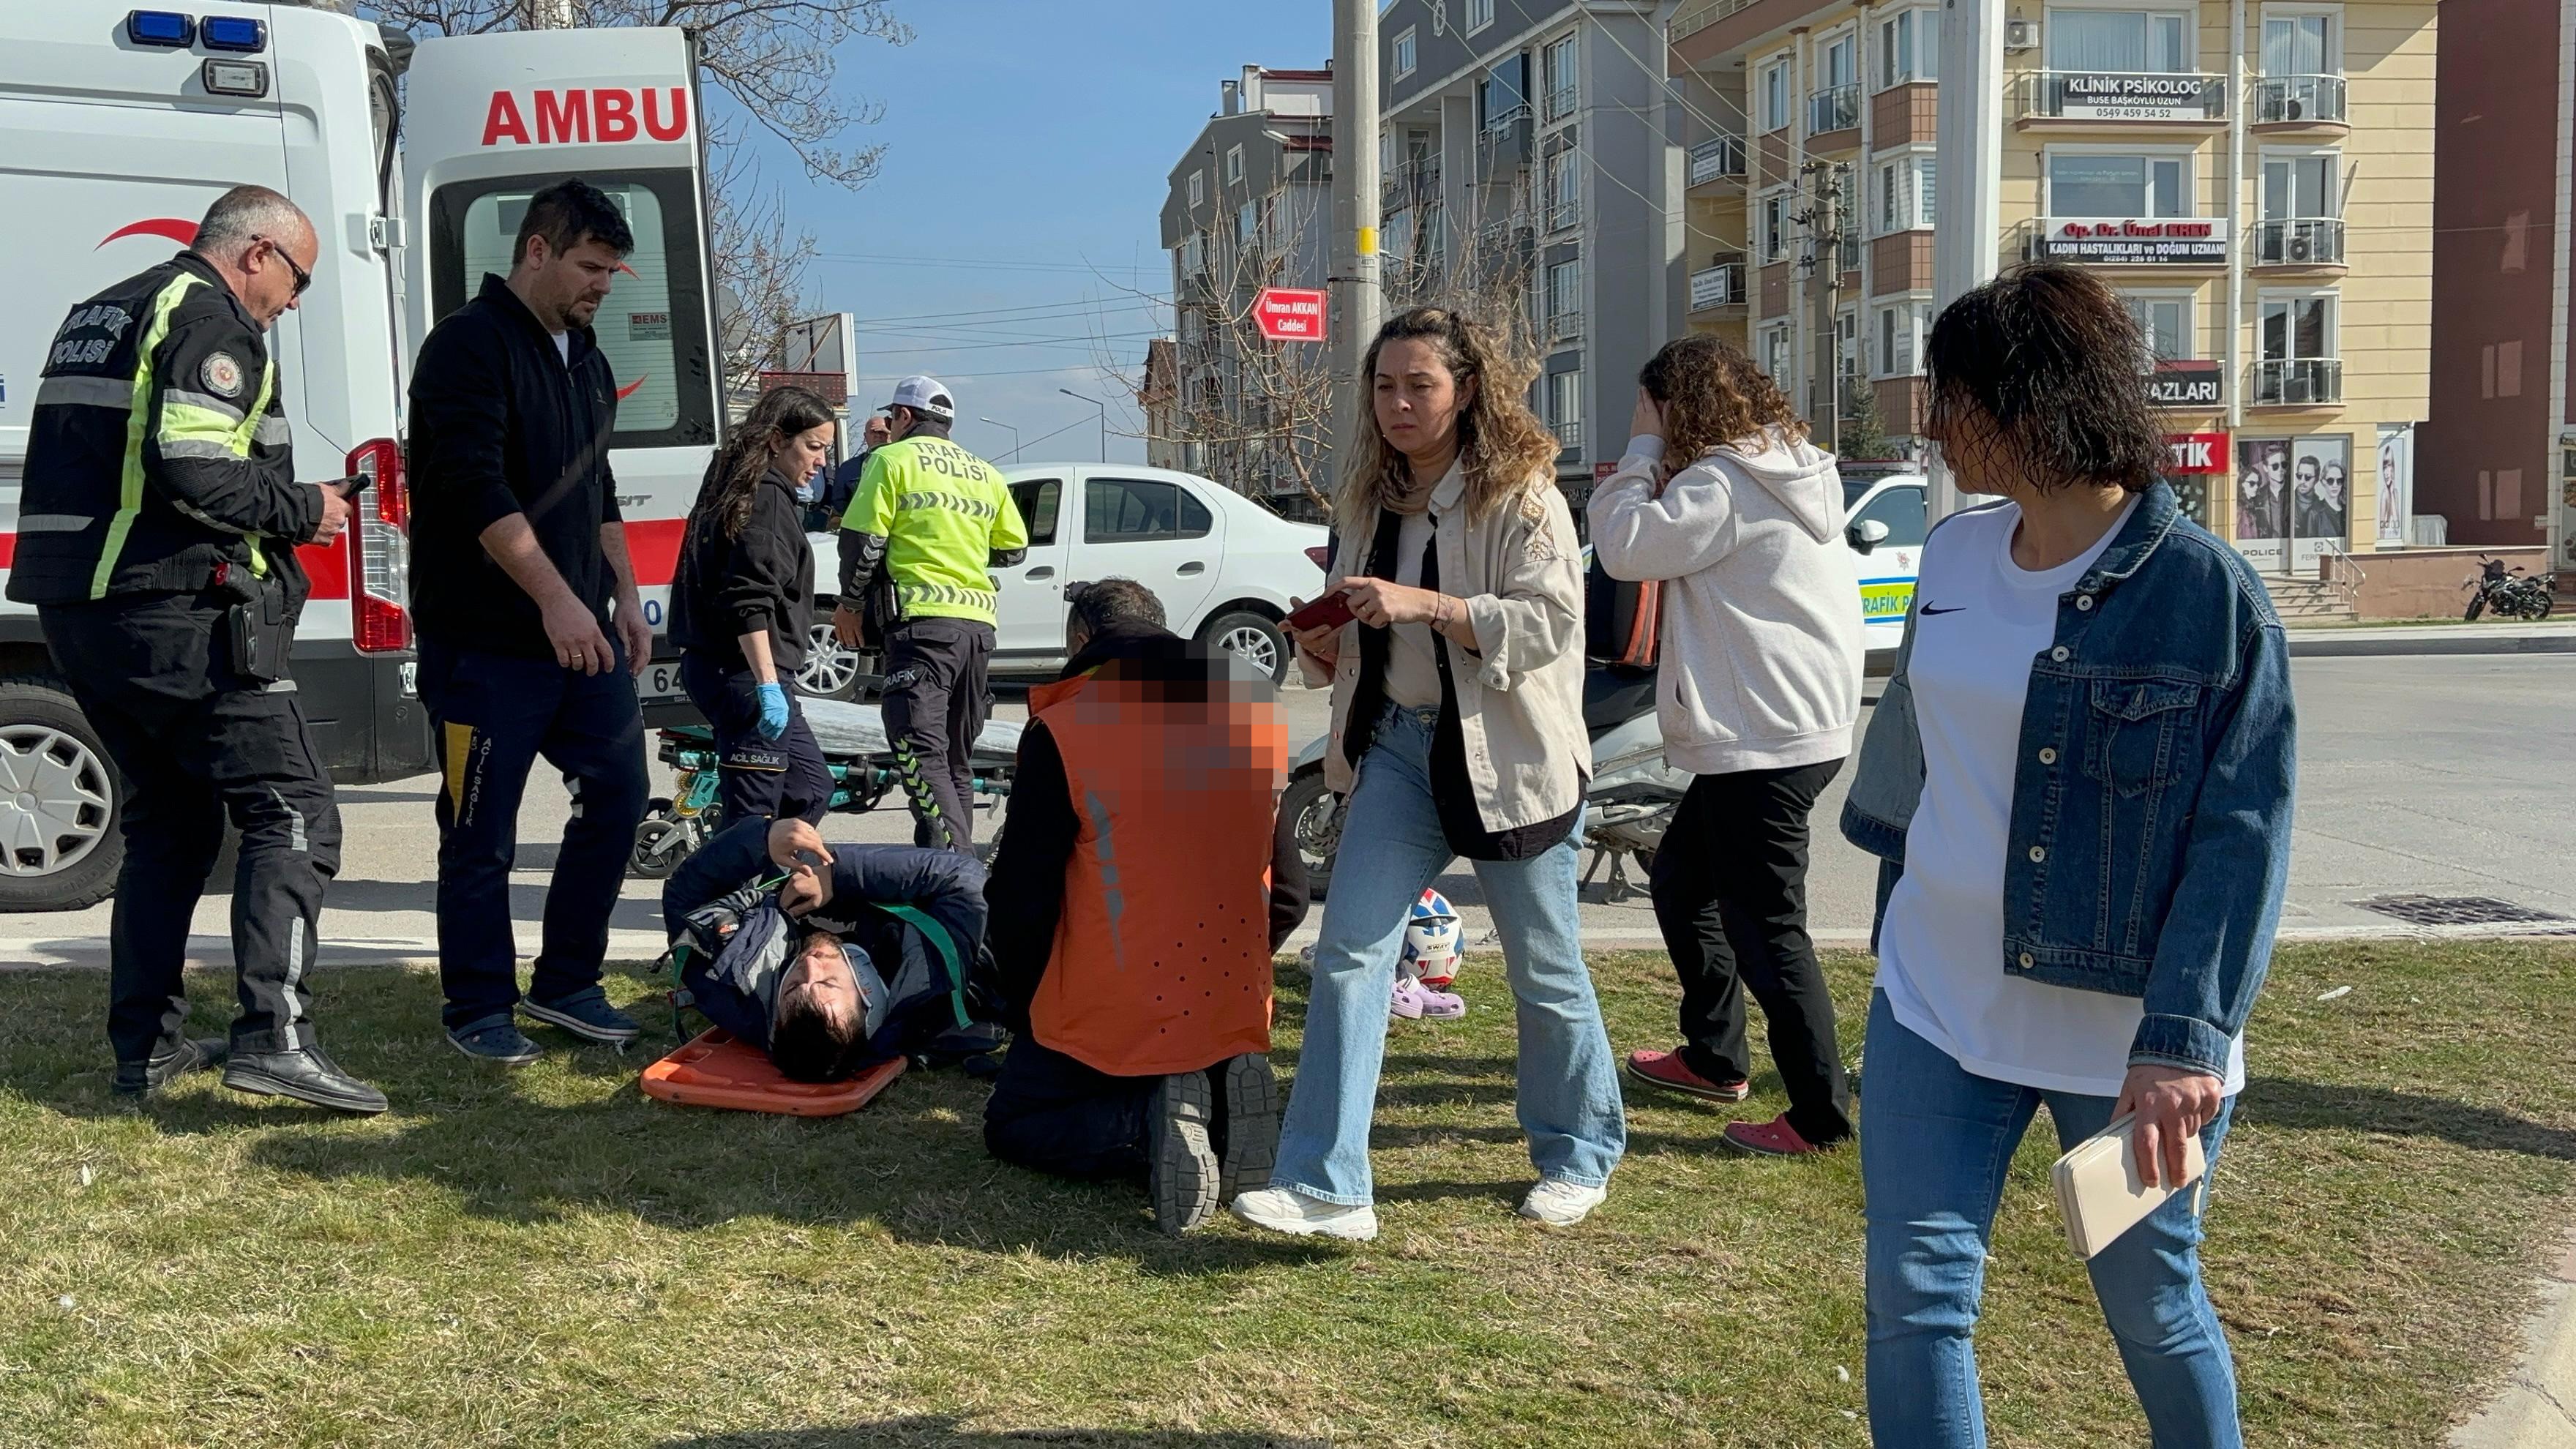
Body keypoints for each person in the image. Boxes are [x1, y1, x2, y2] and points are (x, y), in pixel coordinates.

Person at [1839, 262, 2294, 1447]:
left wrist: (2183, 1043)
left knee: (2149, 1303)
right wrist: (1894, 939)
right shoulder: (1948, 561)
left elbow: (2241, 842)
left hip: (2128, 1048)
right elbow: (1916, 763)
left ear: (2029, 408)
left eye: (1952, 401)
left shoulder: (2209, 600)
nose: (1933, 427)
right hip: (1937, 1013)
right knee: (1914, 1305)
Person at [1229, 307, 1627, 1242]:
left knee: (1545, 968)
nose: (1399, 404)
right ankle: (1329, 1185)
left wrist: (1430, 605)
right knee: (1349, 955)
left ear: (1468, 390)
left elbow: (1548, 626)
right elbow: (1363, 649)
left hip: (1510, 756)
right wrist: (1327, 645)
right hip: (1398, 752)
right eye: (1384, 386)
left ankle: (1578, 1154)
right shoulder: (1366, 495)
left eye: (1421, 385)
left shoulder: (1524, 496)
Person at [7, 185, 383, 1113]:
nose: (293, 303)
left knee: (170, 824)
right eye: (297, 280)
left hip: (81, 611)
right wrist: (310, 509)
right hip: (169, 609)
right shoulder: (207, 318)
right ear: (256, 252)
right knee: (293, 808)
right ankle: (273, 1038)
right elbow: (193, 463)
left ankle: (147, 1051)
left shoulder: (103, 309)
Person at [1588, 336, 1865, 1157]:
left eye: (1653, 408)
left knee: (1768, 929)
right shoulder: (1784, 466)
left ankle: (1819, 1115)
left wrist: (1639, 448)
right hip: (1777, 730)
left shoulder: (1725, 483)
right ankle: (1714, 1058)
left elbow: (1622, 547)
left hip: (1763, 741)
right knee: (1679, 882)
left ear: (1678, 407)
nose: (1649, 424)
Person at [408, 177, 654, 1066]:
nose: (604, 285)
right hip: (484, 647)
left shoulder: (584, 356)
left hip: (584, 640)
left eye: (614, 270)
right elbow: (475, 487)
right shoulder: (466, 347)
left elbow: (599, 488)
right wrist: (553, 597)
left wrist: (624, 595)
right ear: (538, 251)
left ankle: (567, 985)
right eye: (591, 266)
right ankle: (477, 1006)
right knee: (480, 831)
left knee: (621, 796)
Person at [978, 580, 1308, 1233]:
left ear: (1081, 640)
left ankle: (1149, 1123)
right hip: (1231, 993)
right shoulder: (1251, 711)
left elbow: (1021, 897)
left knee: (1016, 1123)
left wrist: (1015, 1003)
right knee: (1179, 1047)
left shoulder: (1065, 728)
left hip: (1113, 997)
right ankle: (1210, 1099)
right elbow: (1291, 892)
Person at [831, 376, 1027, 851]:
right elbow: (1014, 548)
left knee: (919, 752)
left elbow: (863, 540)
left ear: (902, 418)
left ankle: (956, 874)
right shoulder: (983, 472)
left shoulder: (889, 460)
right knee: (954, 762)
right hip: (978, 631)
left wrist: (852, 603)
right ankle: (944, 872)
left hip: (922, 629)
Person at [659, 814, 989, 1082]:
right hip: (911, 913)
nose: (810, 965)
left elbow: (683, 902)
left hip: (814, 898)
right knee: (948, 881)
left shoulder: (732, 994)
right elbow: (967, 879)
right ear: (869, 996)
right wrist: (838, 875)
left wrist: (759, 842)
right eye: (828, 983)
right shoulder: (937, 979)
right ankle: (926, 862)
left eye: (793, 988)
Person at [670, 386, 838, 827]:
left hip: (736, 672)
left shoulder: (739, 486)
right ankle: (733, 894)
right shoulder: (764, 498)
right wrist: (767, 686)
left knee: (809, 788)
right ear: (777, 441)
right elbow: (750, 598)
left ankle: (767, 890)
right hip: (745, 675)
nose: (821, 462)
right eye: (815, 447)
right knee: (754, 815)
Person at [812, 411, 890, 529]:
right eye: (873, 432)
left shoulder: (905, 462)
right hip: (861, 528)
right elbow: (839, 504)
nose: (878, 436)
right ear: (865, 436)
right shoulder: (849, 468)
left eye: (882, 432)